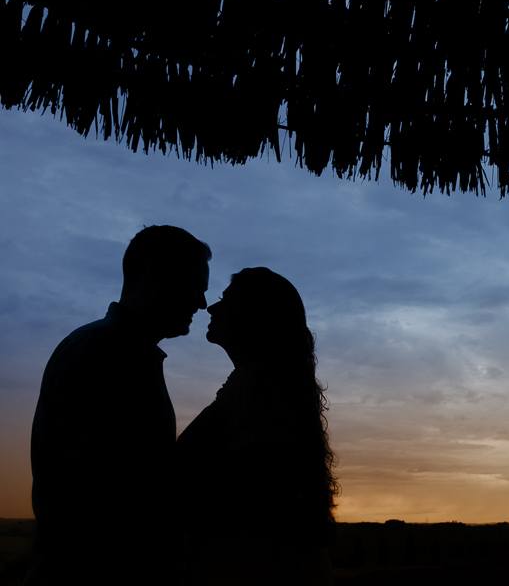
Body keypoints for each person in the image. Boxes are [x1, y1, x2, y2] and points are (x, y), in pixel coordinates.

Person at [26, 225, 211, 586]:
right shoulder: (105, 351)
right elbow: (102, 492)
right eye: (195, 287)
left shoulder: (123, 351)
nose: (201, 303)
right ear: (156, 273)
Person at [177, 267, 337, 586]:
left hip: (247, 566)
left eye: (225, 299)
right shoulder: (261, 384)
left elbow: (261, 490)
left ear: (253, 315)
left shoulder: (257, 384)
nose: (212, 307)